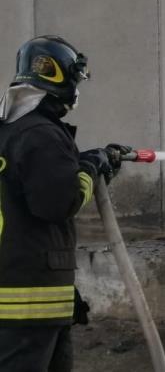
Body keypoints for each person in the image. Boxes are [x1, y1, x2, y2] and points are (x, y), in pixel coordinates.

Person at [0, 36, 128, 371]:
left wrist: (87, 163)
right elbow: (59, 202)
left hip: (18, 291)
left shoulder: (11, 131)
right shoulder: (40, 134)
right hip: (28, 302)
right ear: (60, 77)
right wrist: (91, 168)